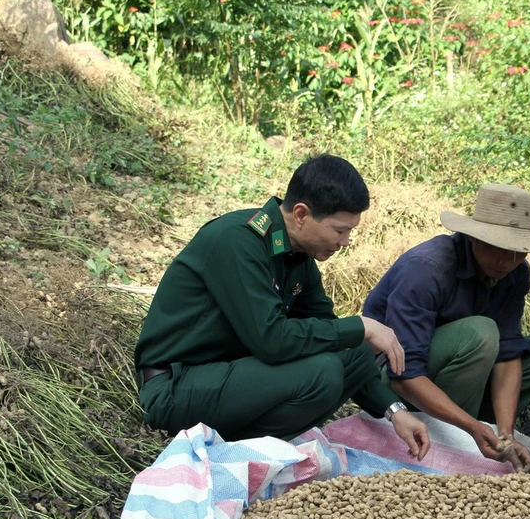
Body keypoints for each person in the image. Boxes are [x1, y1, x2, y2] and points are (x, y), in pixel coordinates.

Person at [134, 154, 430, 459]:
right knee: (323, 372)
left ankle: (257, 443)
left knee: (354, 352)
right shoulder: (237, 241)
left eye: (350, 232)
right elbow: (271, 340)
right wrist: (362, 325)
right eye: (340, 230)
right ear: (301, 214)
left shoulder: (299, 255)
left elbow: (337, 343)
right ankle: (240, 451)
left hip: (234, 377)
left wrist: (394, 411)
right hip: (177, 388)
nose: (345, 242)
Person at [363, 184, 530, 472]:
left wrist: (505, 435)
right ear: (473, 237)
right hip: (395, 387)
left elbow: (507, 353)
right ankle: (458, 438)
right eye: (498, 247)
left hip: (461, 374)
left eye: (517, 252)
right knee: (480, 333)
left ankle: (487, 433)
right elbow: (404, 376)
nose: (507, 261)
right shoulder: (426, 269)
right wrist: (471, 427)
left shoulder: (515, 273)